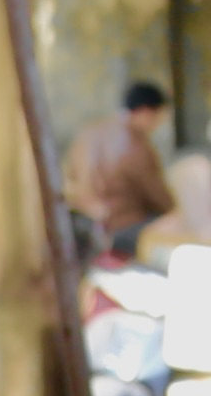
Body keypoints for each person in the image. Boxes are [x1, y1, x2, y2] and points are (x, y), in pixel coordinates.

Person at [61, 77, 180, 262]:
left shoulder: (88, 133)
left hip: (85, 227)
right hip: (122, 230)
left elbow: (69, 180)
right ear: (146, 112)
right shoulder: (137, 146)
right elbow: (161, 200)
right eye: (158, 118)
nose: (157, 125)